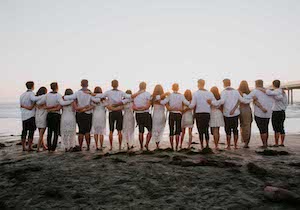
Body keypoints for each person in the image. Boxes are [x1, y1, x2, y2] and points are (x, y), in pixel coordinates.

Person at [211, 79, 250, 149]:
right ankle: (235, 146)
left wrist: (212, 103)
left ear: (224, 84)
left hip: (227, 114)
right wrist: (252, 99)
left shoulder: (224, 92)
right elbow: (242, 100)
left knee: (228, 130)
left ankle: (228, 146)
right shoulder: (236, 91)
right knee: (235, 129)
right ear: (230, 83)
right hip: (235, 114)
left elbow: (222, 102)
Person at [93, 80, 131, 151]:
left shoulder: (108, 92)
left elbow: (100, 96)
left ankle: (111, 146)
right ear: (118, 85)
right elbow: (129, 97)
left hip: (111, 112)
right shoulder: (121, 92)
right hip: (119, 112)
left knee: (111, 130)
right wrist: (122, 103)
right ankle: (119, 146)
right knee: (119, 131)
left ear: (111, 85)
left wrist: (90, 93)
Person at [63, 79, 99, 151]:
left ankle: (80, 146)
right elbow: (96, 100)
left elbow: (68, 98)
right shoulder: (89, 93)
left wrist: (64, 97)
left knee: (81, 131)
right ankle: (88, 146)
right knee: (87, 131)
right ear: (87, 84)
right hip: (88, 114)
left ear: (81, 84)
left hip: (79, 113)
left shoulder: (77, 93)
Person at [243, 80, 273, 148]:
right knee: (266, 128)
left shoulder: (255, 91)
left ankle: (264, 144)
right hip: (268, 113)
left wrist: (242, 93)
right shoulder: (268, 91)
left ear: (256, 84)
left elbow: (247, 97)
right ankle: (266, 143)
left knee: (262, 129)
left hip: (259, 113)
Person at [161, 83, 190, 151]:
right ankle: (176, 146)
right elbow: (187, 103)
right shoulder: (181, 96)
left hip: (171, 114)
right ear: (178, 88)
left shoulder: (170, 95)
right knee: (177, 131)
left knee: (171, 130)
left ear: (172, 88)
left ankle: (172, 146)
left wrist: (168, 106)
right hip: (179, 114)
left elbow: (163, 102)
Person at [189, 79, 215, 149]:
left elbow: (192, 105)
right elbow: (215, 103)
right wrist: (211, 103)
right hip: (207, 113)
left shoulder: (195, 93)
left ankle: (202, 145)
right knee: (206, 129)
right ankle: (207, 145)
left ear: (198, 84)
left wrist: (186, 106)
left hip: (199, 113)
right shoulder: (210, 93)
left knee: (200, 130)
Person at [261, 80, 288, 147]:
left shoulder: (277, 91)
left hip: (276, 112)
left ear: (273, 85)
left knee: (276, 128)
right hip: (282, 112)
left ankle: (276, 143)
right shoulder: (282, 93)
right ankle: (282, 143)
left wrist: (262, 89)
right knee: (281, 127)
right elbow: (279, 98)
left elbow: (268, 92)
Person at [19, 81, 44, 151]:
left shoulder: (22, 95)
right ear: (33, 86)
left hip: (23, 116)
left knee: (24, 131)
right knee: (31, 131)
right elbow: (34, 99)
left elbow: (21, 105)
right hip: (31, 116)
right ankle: (29, 147)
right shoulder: (31, 94)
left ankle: (23, 147)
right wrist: (43, 96)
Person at [132, 82, 152, 150]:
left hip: (138, 114)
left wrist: (138, 109)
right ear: (145, 87)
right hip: (145, 114)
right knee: (150, 130)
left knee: (141, 131)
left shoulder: (135, 95)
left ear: (139, 87)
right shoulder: (148, 94)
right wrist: (143, 108)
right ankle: (146, 144)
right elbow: (148, 106)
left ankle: (141, 146)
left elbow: (133, 107)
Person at [45, 82, 62, 152]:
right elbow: (59, 107)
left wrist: (49, 109)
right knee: (56, 132)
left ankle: (49, 147)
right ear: (57, 87)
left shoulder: (47, 95)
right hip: (56, 115)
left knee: (49, 131)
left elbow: (45, 105)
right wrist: (53, 108)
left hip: (49, 114)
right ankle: (53, 147)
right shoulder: (59, 95)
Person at [151, 85, 168, 149]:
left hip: (155, 115)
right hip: (161, 115)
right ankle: (158, 143)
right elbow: (167, 106)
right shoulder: (162, 97)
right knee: (160, 129)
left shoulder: (153, 97)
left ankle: (156, 143)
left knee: (155, 129)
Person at [237, 81, 253, 148]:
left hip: (241, 109)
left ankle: (243, 140)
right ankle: (247, 142)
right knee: (248, 126)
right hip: (248, 109)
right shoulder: (250, 92)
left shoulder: (238, 92)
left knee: (242, 125)